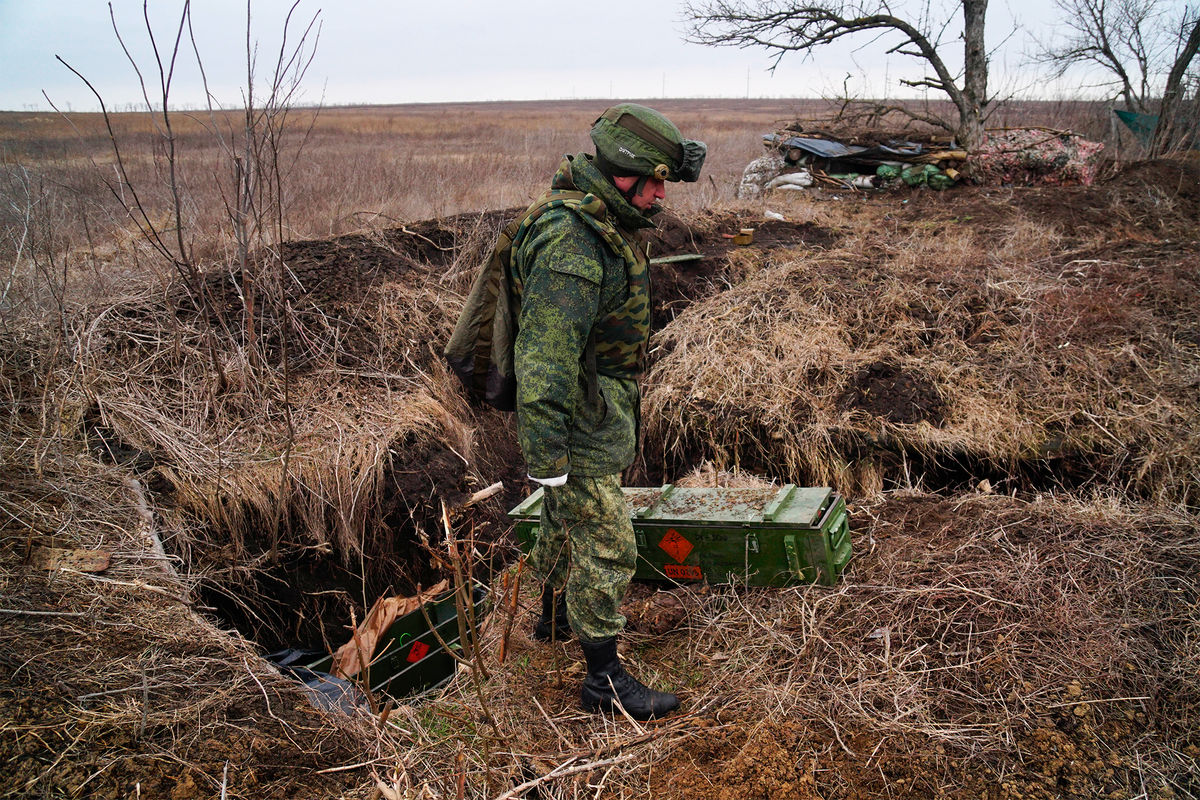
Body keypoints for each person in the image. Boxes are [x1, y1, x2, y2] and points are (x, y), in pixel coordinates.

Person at [511, 104, 705, 721]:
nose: (658, 194)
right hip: (576, 419)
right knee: (609, 540)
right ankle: (603, 681)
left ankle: (544, 622)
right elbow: (543, 360)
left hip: (595, 410)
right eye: (651, 180)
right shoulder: (572, 241)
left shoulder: (601, 222)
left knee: (566, 523)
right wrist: (547, 457)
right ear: (620, 171)